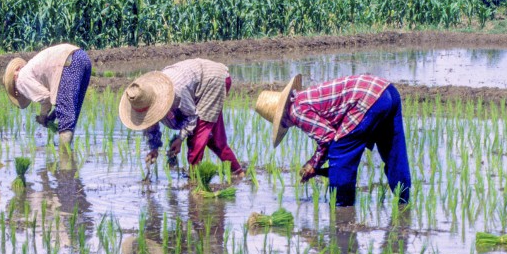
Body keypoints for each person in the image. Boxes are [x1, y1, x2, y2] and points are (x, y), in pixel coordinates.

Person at [254, 74, 411, 207]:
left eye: (283, 125)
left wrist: (313, 164)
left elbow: (328, 137)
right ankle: (404, 201)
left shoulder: (296, 111)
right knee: (394, 153)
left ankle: (342, 207)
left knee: (340, 150)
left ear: (282, 119)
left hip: (368, 98)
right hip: (386, 90)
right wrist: (317, 167)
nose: (287, 127)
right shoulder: (302, 99)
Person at [119, 58, 243, 174]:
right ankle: (238, 173)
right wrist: (154, 149)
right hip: (196, 83)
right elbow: (150, 123)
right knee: (214, 139)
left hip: (212, 80)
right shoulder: (147, 96)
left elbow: (191, 116)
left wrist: (180, 138)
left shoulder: (174, 93)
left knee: (197, 137)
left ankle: (194, 179)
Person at [3, 44, 92, 148]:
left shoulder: (20, 80)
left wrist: (42, 117)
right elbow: (63, 103)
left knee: (66, 120)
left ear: (16, 91)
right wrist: (52, 117)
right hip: (82, 57)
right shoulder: (31, 68)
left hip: (67, 63)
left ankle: (64, 157)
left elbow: (46, 98)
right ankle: (68, 153)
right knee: (71, 111)